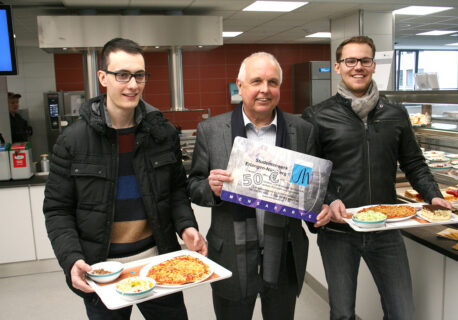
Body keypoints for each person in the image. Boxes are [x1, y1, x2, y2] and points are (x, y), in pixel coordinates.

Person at [43, 38, 207, 320]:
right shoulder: (73, 141)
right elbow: (57, 209)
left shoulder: (162, 133)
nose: (133, 84)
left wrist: (186, 227)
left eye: (139, 75)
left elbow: (177, 192)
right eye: (122, 75)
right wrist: (71, 259)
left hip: (159, 264)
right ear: (103, 78)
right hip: (103, 271)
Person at [302, 36, 452, 320]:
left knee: (402, 312)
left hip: (386, 227)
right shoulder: (317, 116)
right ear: (338, 66)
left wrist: (434, 196)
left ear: (373, 65)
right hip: (339, 230)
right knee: (343, 313)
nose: (358, 67)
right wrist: (330, 200)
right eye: (350, 61)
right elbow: (309, 173)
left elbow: (414, 163)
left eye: (364, 61)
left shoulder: (395, 113)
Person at [187, 52, 330, 320]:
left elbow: (307, 186)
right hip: (230, 253)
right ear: (240, 86)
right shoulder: (211, 130)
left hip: (284, 255)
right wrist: (211, 187)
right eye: (256, 81)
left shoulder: (303, 130)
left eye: (272, 82)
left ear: (279, 87)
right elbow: (194, 186)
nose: (265, 90)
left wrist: (317, 208)